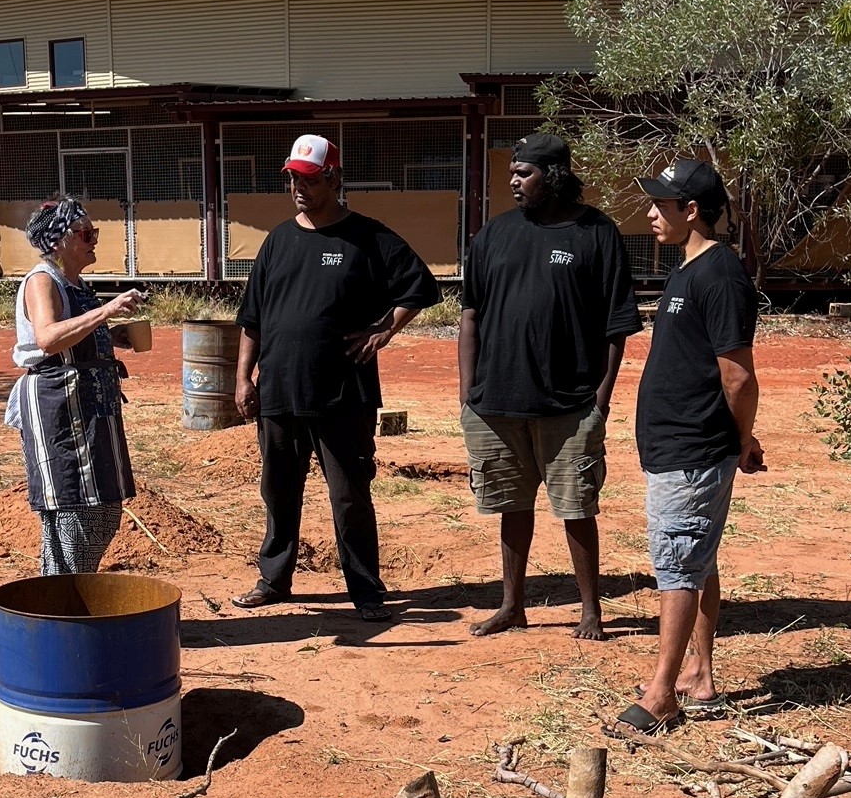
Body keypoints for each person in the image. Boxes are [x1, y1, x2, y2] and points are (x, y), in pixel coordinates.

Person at [233, 134, 440, 622]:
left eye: (307, 178)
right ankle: (274, 579)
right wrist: (244, 377)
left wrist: (384, 330)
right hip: (280, 389)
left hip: (344, 393)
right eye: (291, 178)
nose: (298, 187)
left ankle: (366, 590)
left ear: (333, 178)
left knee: (349, 495)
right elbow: (253, 317)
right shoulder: (279, 240)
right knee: (279, 490)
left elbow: (421, 286)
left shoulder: (369, 237)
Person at [458, 133, 641, 639]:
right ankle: (512, 605)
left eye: (524, 173)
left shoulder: (596, 233)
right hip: (495, 402)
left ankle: (590, 609)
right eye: (513, 172)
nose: (514, 181)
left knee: (575, 507)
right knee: (512, 506)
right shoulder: (494, 234)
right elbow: (470, 313)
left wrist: (599, 400)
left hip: (569, 405)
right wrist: (467, 392)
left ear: (554, 175)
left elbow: (616, 324)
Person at [614, 158, 763, 737]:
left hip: (693, 447)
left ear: (692, 210)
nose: (651, 214)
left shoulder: (721, 275)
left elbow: (738, 377)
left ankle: (660, 696)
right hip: (678, 443)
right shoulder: (688, 270)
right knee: (697, 557)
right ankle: (698, 675)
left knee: (677, 563)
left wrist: (740, 438)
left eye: (661, 205)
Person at [3, 194, 143, 576]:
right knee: (76, 506)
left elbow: (72, 333)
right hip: (62, 407)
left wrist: (111, 336)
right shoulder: (41, 281)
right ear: (57, 241)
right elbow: (47, 338)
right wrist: (106, 311)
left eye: (93, 232)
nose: (93, 239)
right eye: (85, 233)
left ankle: (62, 597)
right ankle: (63, 602)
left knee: (98, 506)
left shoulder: (73, 282)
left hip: (88, 405)